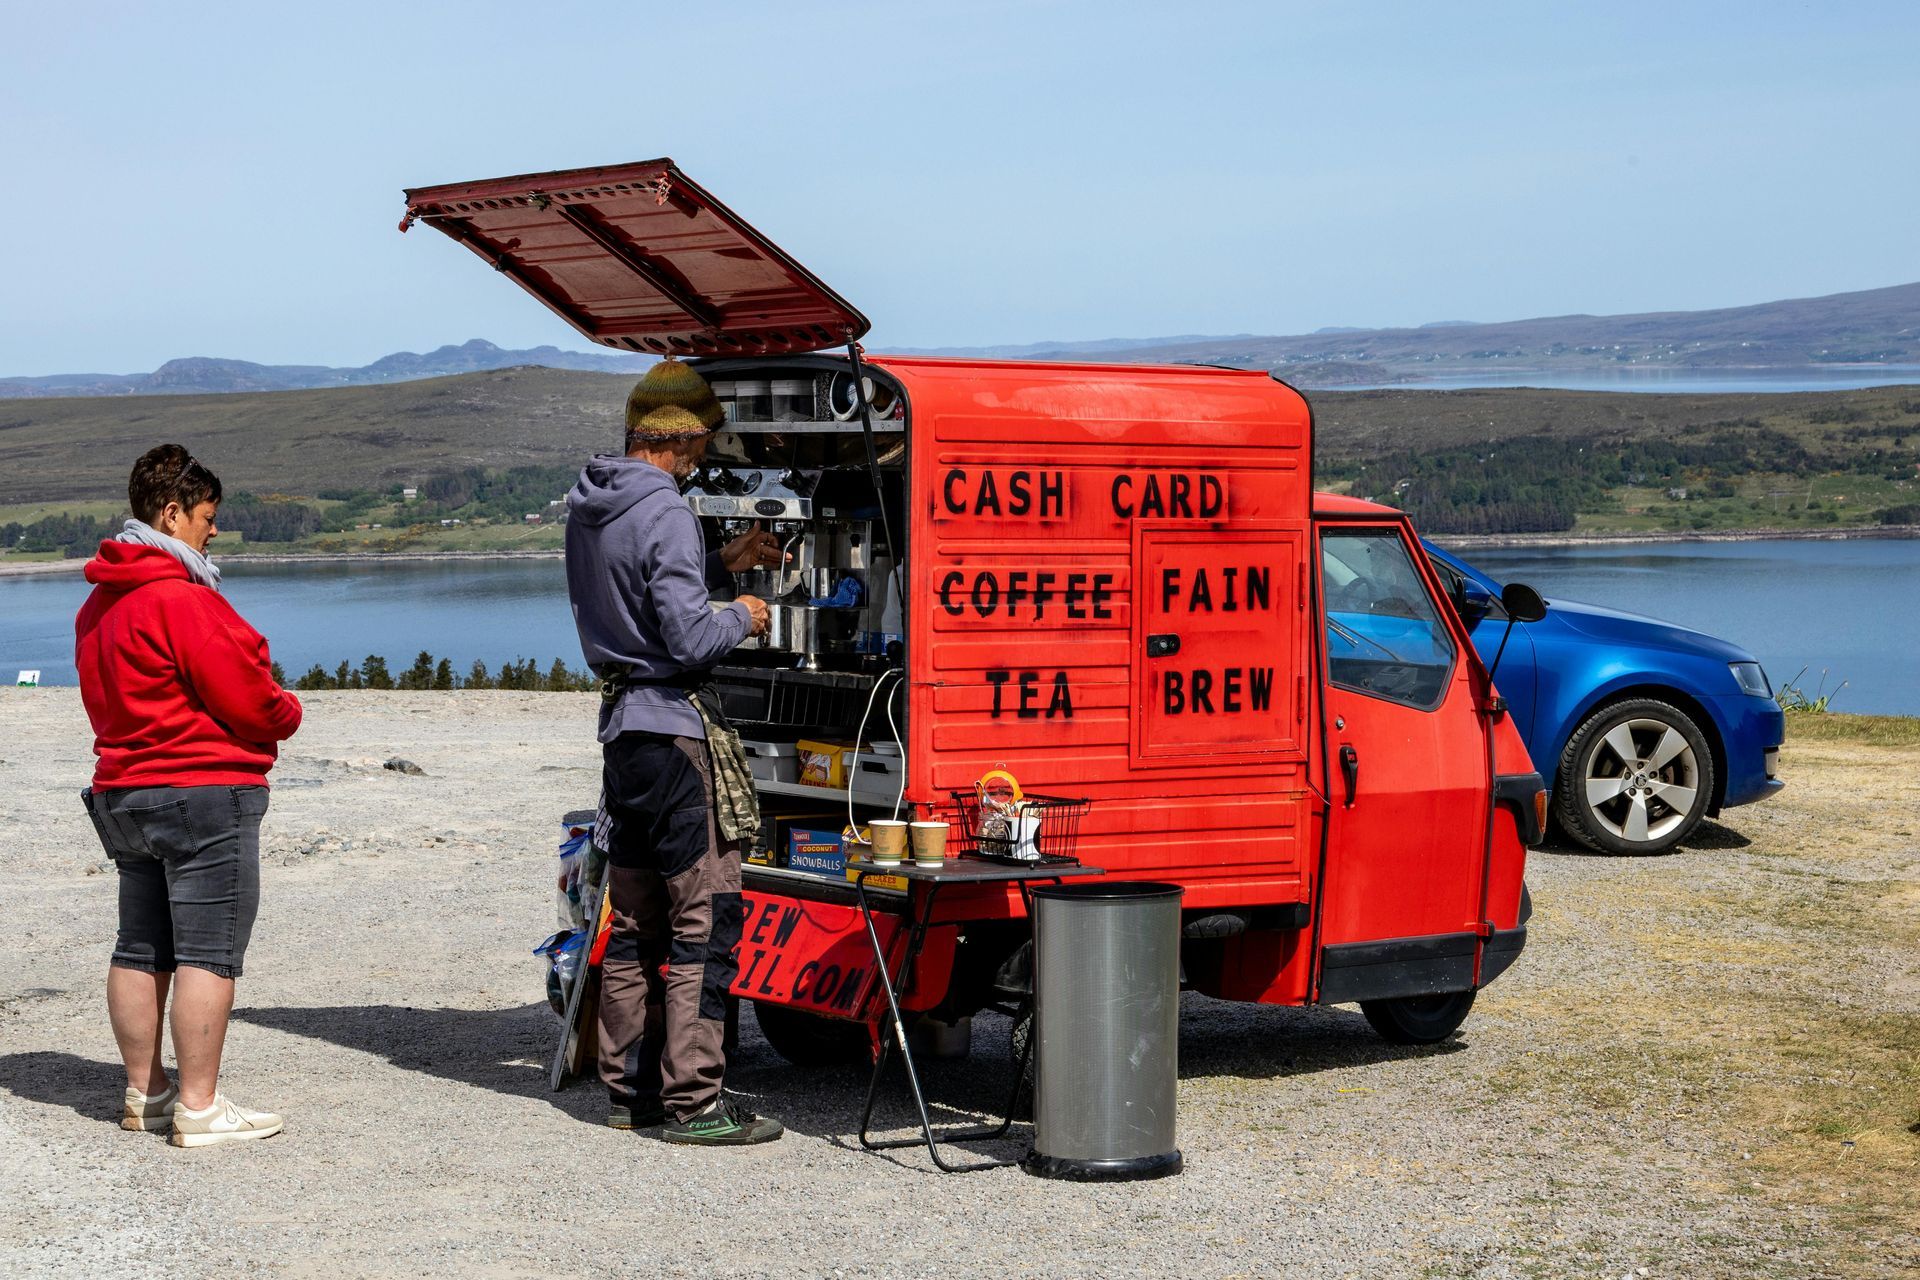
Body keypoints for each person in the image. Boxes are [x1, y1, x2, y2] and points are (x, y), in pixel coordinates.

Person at [564, 359, 787, 1145]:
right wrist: (745, 613)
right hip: (675, 732)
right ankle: (695, 1101)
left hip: (623, 735)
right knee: (705, 917)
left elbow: (634, 590)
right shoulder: (667, 510)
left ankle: (630, 1091)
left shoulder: (592, 502)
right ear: (683, 441)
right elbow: (689, 636)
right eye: (702, 448)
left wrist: (723, 562)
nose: (703, 462)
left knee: (633, 920)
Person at [75, 444, 303, 1147]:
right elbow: (250, 696)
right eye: (206, 518)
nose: (213, 531)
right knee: (209, 951)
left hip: (124, 793)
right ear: (171, 514)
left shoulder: (97, 606)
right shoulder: (184, 599)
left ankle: (148, 1093)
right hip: (202, 793)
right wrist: (287, 711)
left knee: (139, 949)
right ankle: (200, 1110)